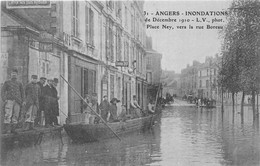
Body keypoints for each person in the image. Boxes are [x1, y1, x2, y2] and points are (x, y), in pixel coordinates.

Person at [1, 68, 25, 133]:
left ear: (17, 75)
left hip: (17, 101)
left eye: (15, 74)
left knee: (16, 115)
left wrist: (23, 101)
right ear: (10, 74)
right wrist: (4, 99)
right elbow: (2, 91)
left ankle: (13, 129)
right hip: (9, 101)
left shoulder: (19, 83)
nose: (14, 75)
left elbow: (22, 93)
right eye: (12, 73)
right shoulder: (7, 82)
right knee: (8, 114)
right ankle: (7, 129)